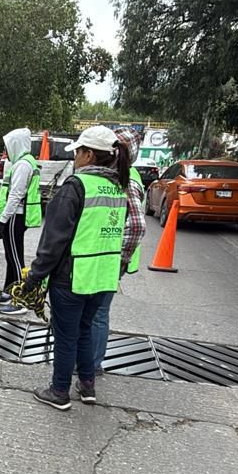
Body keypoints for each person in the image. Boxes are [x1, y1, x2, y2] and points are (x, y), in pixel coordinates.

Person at [14, 125, 133, 411]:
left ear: (89, 154)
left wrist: (34, 278)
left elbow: (54, 241)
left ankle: (59, 391)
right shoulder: (119, 187)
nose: (75, 157)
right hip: (103, 276)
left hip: (73, 276)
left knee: (66, 336)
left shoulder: (75, 187)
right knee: (83, 330)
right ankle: (87, 385)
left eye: (78, 152)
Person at [91, 127, 147, 375]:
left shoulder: (126, 179)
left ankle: (91, 365)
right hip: (106, 257)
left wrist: (120, 259)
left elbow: (136, 226)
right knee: (97, 312)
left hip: (108, 259)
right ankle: (90, 363)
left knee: (97, 313)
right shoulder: (120, 175)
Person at [0, 127, 42, 316]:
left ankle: (21, 300)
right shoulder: (23, 162)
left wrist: (3, 221)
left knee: (16, 259)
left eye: (8, 146)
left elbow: (16, 195)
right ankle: (8, 291)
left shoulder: (23, 165)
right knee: (11, 257)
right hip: (15, 216)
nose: (6, 150)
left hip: (14, 216)